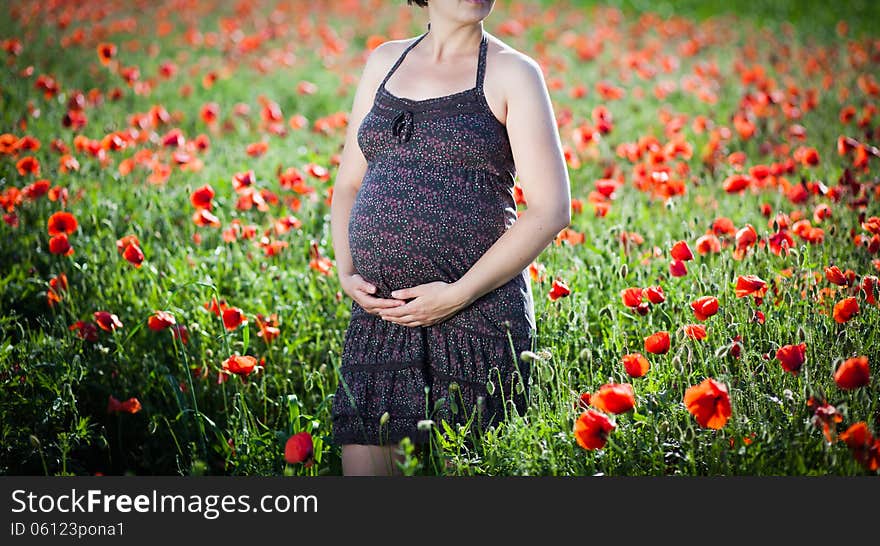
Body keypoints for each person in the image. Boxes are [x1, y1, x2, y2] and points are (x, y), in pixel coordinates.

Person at [329, 0, 571, 476]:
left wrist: (456, 295)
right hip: (382, 321)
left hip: (476, 321)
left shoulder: (512, 73)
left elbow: (550, 209)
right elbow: (348, 185)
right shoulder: (385, 61)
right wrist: (346, 270)